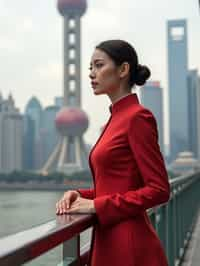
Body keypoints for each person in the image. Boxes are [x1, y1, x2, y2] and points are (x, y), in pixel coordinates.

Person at [56, 39, 170, 266]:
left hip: (129, 247)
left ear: (123, 69)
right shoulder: (115, 119)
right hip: (108, 241)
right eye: (90, 67)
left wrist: (96, 205)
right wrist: (81, 194)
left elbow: (159, 190)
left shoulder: (137, 118)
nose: (91, 74)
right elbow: (117, 185)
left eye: (98, 65)